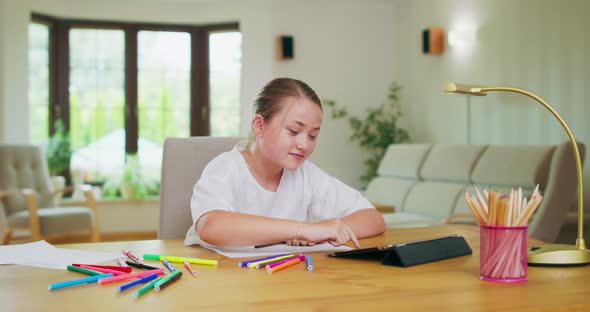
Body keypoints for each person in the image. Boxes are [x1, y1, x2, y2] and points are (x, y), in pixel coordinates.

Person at [185, 77, 386, 248]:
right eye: (293, 131)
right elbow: (212, 226)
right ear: (259, 125)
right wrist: (304, 230)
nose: (304, 144)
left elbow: (373, 219)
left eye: (313, 136)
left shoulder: (307, 176)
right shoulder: (226, 167)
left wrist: (327, 230)